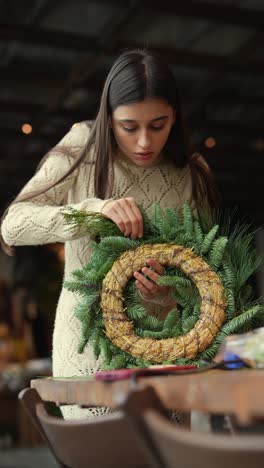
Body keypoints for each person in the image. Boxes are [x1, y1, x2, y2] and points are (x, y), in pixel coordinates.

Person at [1, 49, 219, 419]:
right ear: (109, 118)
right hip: (89, 352)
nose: (145, 142)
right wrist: (93, 210)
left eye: (158, 124)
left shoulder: (192, 173)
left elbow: (211, 275)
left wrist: (170, 291)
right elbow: (13, 224)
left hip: (166, 352)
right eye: (129, 127)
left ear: (175, 117)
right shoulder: (83, 146)